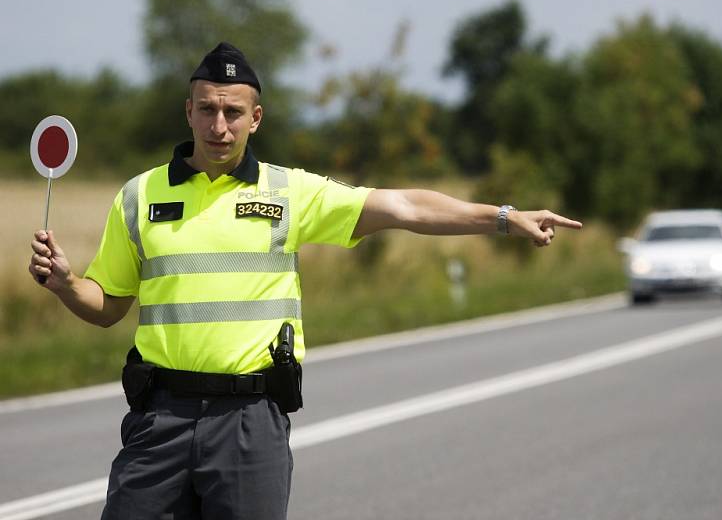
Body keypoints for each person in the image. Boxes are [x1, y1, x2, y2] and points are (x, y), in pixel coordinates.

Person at [29, 42, 582, 520]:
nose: (219, 125)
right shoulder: (139, 196)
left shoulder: (289, 193)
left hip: (249, 423)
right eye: (207, 110)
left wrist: (505, 218)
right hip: (160, 419)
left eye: (232, 112)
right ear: (188, 112)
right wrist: (65, 283)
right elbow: (106, 306)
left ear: (256, 118)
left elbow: (406, 205)